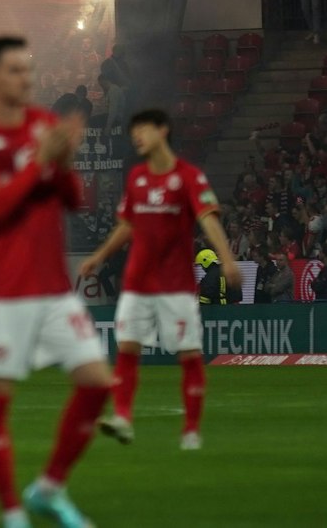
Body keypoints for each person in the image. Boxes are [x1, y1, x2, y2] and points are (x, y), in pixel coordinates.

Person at [0, 38, 111, 528]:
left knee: (97, 384)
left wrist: (64, 158)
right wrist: (41, 160)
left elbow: (73, 197)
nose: (27, 79)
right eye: (16, 70)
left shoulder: (43, 124)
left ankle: (48, 487)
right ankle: (11, 512)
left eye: (29, 69)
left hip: (51, 289)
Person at [78, 108, 237, 450]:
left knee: (188, 355)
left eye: (143, 129)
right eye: (134, 130)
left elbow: (208, 219)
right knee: (127, 349)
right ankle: (122, 417)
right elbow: (126, 225)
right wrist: (99, 256)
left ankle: (192, 430)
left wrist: (227, 259)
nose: (136, 136)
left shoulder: (189, 177)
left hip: (176, 286)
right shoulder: (136, 177)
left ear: (162, 131)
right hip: (137, 283)